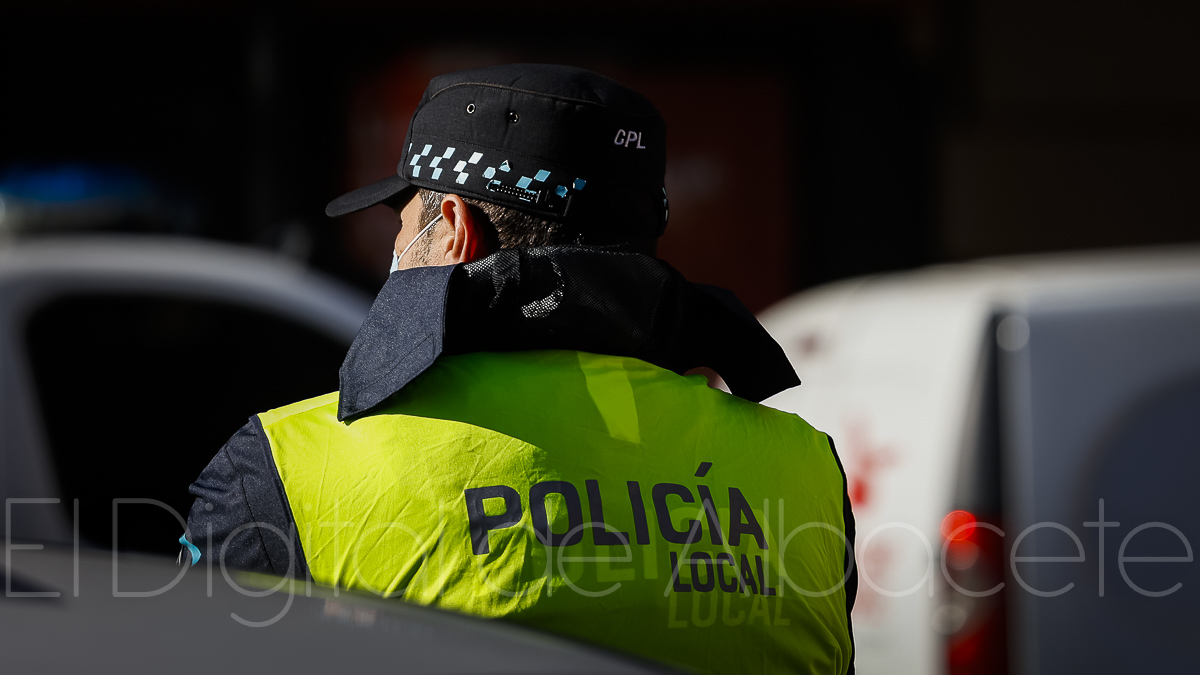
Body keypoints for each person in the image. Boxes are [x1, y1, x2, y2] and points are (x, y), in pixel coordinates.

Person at [183, 63, 856, 674]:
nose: (392, 245)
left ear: (451, 227)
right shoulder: (805, 470)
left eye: (401, 217)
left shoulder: (282, 469)